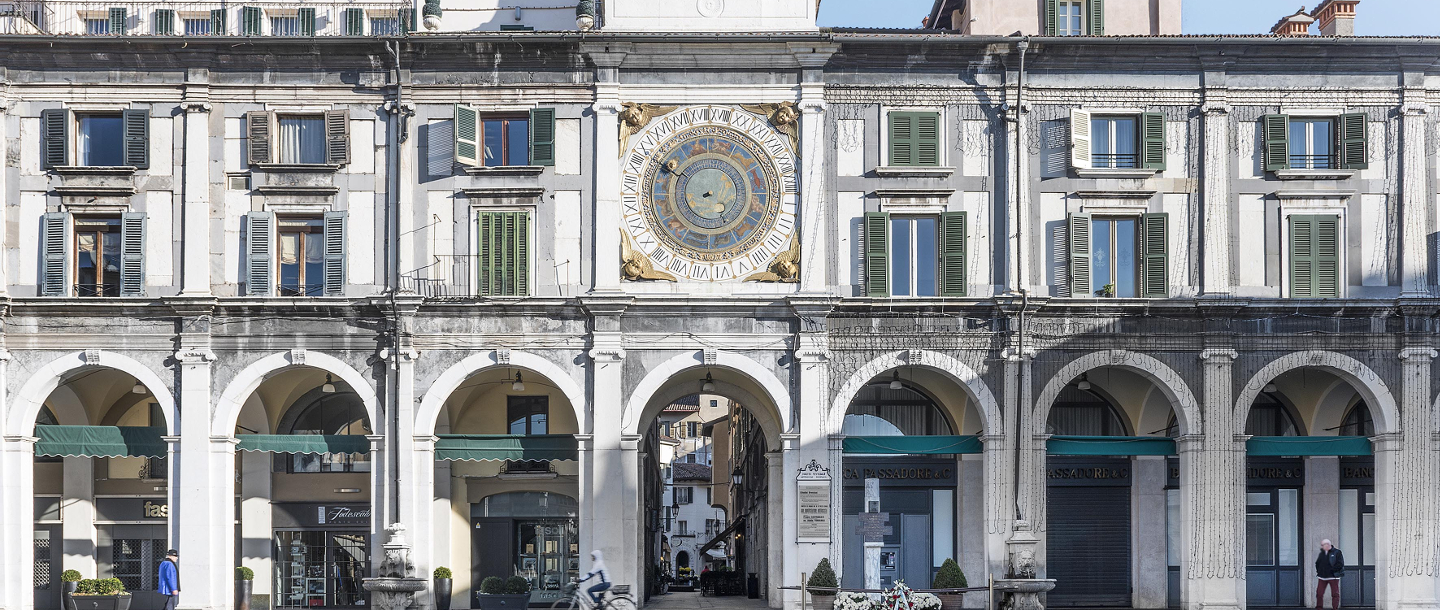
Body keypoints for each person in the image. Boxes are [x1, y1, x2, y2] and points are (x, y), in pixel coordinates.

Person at [1315, 539, 1344, 609]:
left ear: (1328, 545)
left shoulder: (1337, 552)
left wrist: (1332, 570)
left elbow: (1340, 564)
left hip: (1333, 576)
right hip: (1322, 577)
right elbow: (1318, 563)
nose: (1322, 547)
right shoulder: (1322, 553)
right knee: (1319, 593)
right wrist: (1319, 571)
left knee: (1335, 593)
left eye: (1323, 545)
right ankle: (1319, 607)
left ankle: (1335, 608)